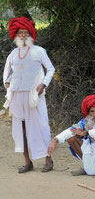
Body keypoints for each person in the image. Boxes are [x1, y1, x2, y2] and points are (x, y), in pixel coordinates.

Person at [3, 17, 55, 173]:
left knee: (41, 126)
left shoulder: (39, 51)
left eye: (26, 32)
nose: (24, 35)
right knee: (21, 130)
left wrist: (43, 84)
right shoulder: (13, 54)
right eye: (21, 32)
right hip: (17, 96)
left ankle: (48, 159)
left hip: (35, 96)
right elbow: (8, 72)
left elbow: (51, 69)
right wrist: (6, 82)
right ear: (16, 35)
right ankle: (27, 162)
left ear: (31, 34)